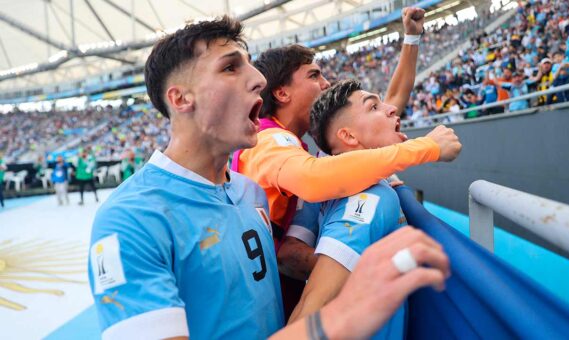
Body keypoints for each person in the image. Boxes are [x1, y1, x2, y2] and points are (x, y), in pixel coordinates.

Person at [89, 16, 450, 339]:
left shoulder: (249, 192)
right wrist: (339, 312)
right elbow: (313, 181)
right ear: (181, 98)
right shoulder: (128, 220)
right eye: (230, 68)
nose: (257, 79)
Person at [235, 7, 461, 317]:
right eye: (314, 75)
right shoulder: (269, 139)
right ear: (282, 92)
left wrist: (410, 38)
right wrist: (427, 148)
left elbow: (386, 109)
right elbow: (314, 182)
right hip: (271, 304)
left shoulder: (300, 146)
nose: (326, 83)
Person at [289, 81, 418, 335]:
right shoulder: (371, 198)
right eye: (373, 107)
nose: (392, 109)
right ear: (348, 136)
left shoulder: (353, 185)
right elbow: (313, 306)